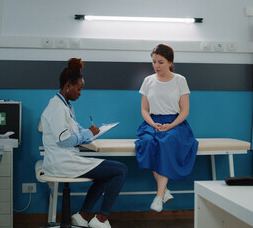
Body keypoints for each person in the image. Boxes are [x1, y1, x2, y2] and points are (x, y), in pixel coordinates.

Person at [41, 58, 127, 228]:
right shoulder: (57, 108)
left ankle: (82, 216)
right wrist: (88, 133)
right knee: (120, 170)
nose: (80, 93)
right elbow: (65, 140)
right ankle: (101, 219)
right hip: (62, 162)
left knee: (107, 173)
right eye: (79, 89)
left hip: (66, 159)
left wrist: (91, 132)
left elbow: (75, 131)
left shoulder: (65, 106)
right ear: (68, 86)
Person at [135, 43, 199, 212]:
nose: (156, 66)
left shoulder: (180, 80)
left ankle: (158, 196)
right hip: (153, 122)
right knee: (148, 142)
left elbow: (185, 110)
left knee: (166, 142)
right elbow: (144, 109)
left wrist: (171, 125)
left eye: (160, 62)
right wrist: (152, 123)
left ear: (170, 62)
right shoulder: (148, 81)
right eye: (154, 62)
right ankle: (164, 191)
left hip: (176, 123)